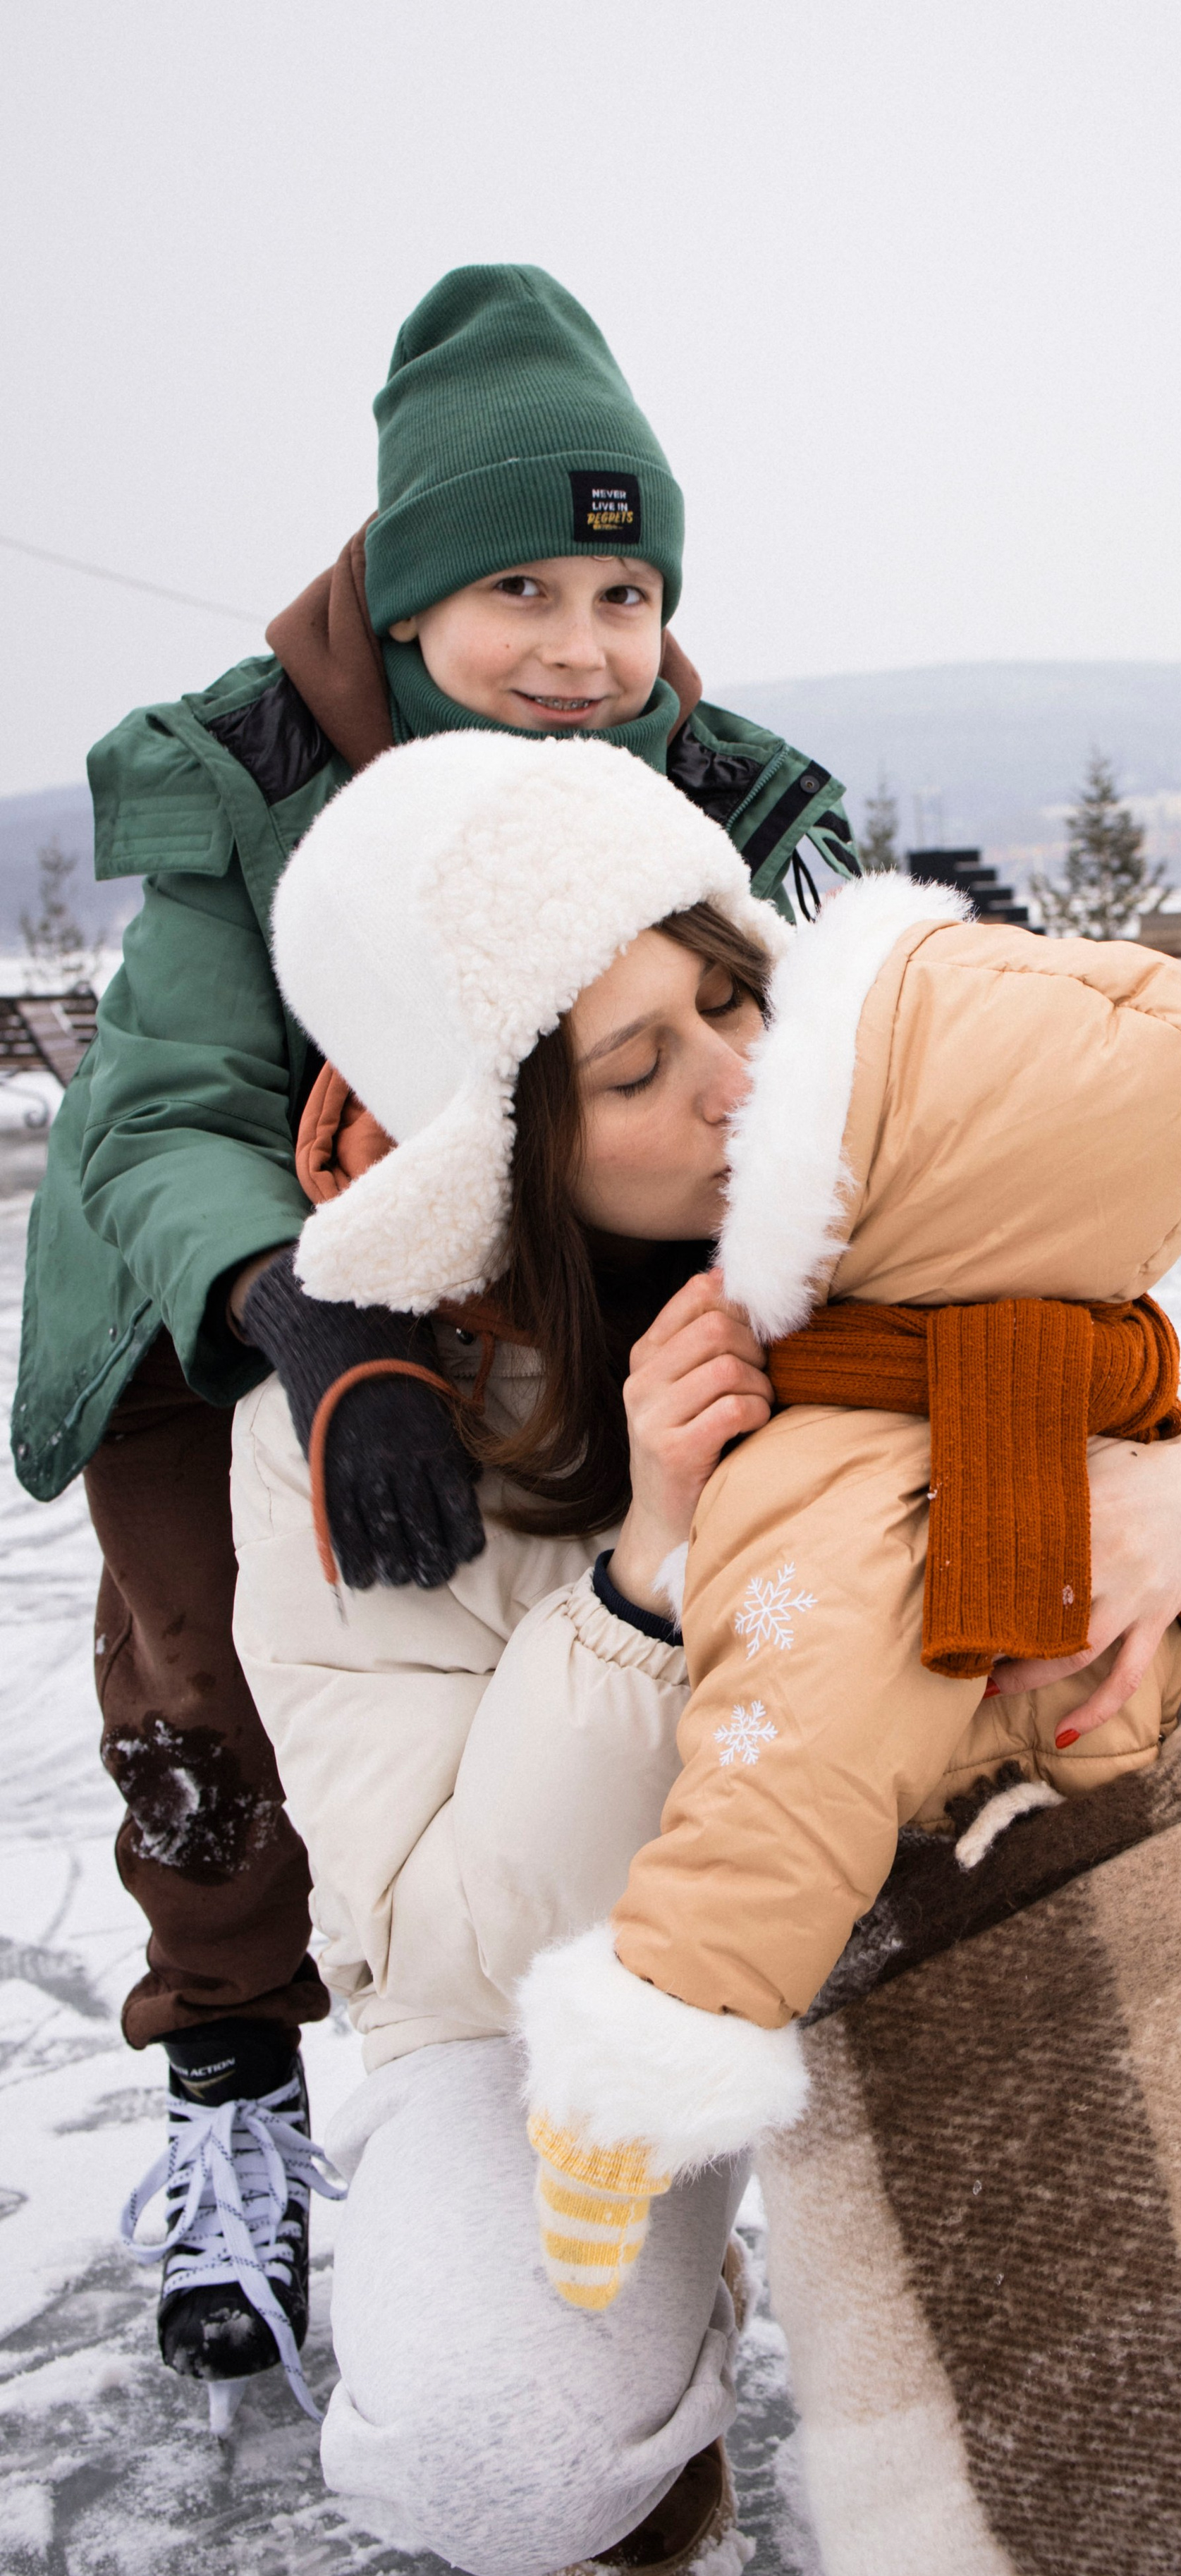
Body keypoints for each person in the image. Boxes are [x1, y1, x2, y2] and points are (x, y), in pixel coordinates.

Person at [228, 733, 1181, 2576]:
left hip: (975, 1890)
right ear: (505, 1145)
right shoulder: (340, 1446)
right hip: (594, 1987)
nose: (733, 1077)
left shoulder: (869, 1194)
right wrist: (644, 1583)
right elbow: (430, 1944)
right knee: (489, 2439)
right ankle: (665, 2402)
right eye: (634, 1068)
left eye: (732, 994)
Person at [13, 262, 858, 2410]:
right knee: (215, 1678)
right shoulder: (262, 765)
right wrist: (304, 1315)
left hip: (562, 1284)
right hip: (233, 1288)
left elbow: (832, 1028)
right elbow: (167, 1099)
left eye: (621, 591)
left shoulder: (718, 785)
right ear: (405, 601)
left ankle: (718, 2012)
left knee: (637, 1621)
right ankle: (229, 2074)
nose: (580, 653)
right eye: (517, 591)